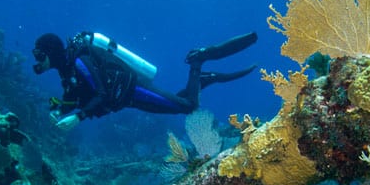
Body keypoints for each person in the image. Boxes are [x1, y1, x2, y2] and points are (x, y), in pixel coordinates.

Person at [32, 30, 258, 129]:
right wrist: (60, 110)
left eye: (39, 55)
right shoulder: (67, 70)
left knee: (188, 106)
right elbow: (73, 97)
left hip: (134, 91)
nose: (37, 61)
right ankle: (198, 83)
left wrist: (78, 117)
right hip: (128, 98)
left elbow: (100, 94)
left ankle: (198, 62)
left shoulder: (79, 63)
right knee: (176, 103)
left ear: (51, 53)